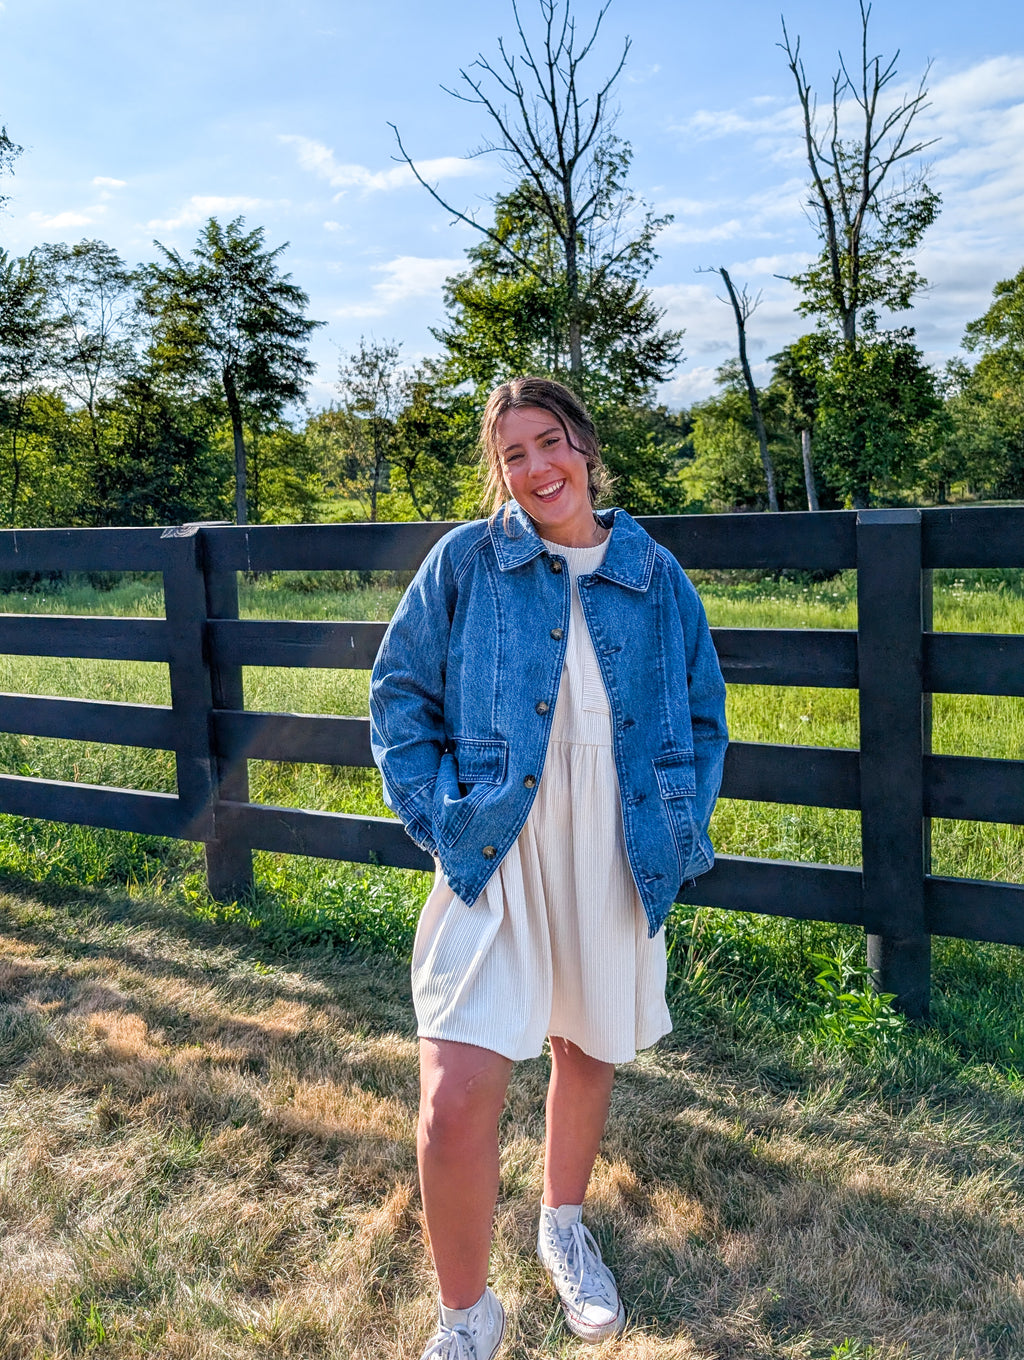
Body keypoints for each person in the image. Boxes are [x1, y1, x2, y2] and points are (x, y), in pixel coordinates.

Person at [370, 376, 727, 1359]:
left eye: (550, 441)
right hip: (497, 846)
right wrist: (440, 819)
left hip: (613, 844)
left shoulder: (652, 571)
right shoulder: (467, 561)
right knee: (451, 1100)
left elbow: (702, 713)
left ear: (585, 445)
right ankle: (466, 1318)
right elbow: (398, 691)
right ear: (499, 472)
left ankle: (561, 1224)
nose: (537, 468)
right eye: (513, 455)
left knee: (586, 1049)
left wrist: (677, 824)